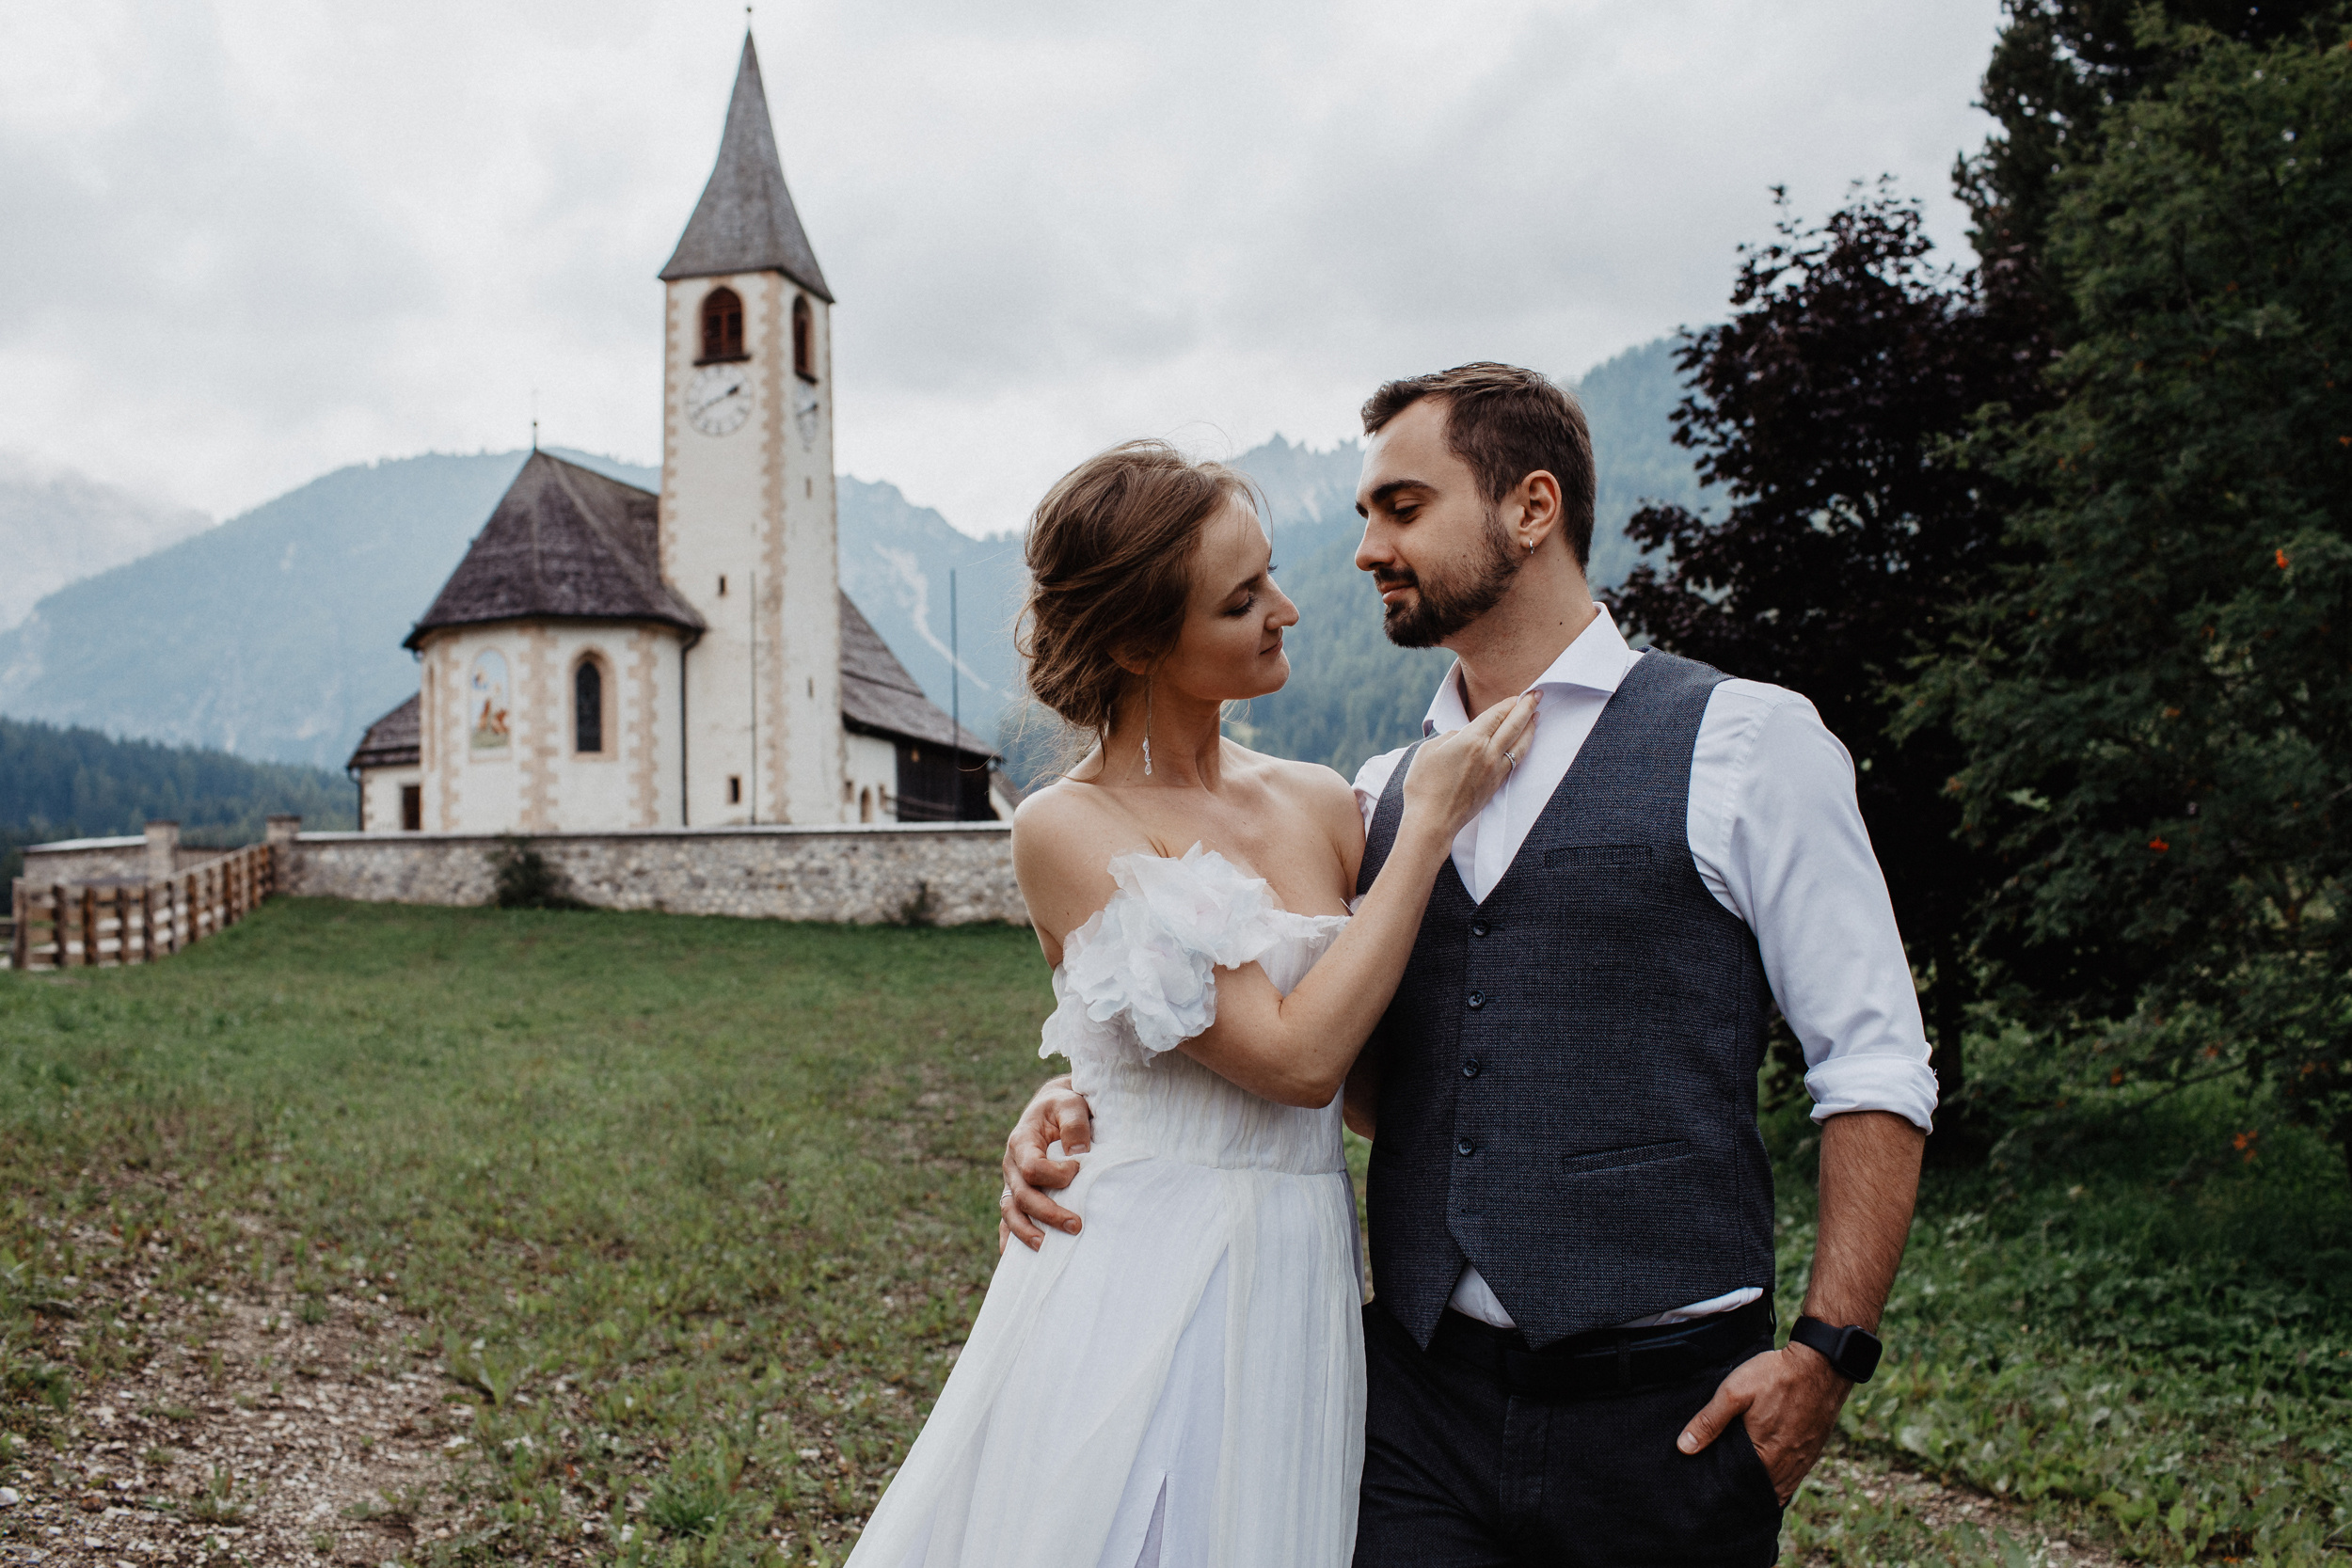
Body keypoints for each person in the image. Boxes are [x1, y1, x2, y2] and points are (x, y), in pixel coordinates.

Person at [1003, 364, 1939, 1567]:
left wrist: (1828, 1351)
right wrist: (1081, 1093)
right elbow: (1291, 1034)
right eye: (1362, 517)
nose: (1361, 552)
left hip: (1665, 1408)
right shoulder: (1377, 797)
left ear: (1530, 509)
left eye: (1400, 507)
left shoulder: (1748, 741)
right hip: (1411, 1407)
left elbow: (1872, 1062)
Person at [844, 439, 1537, 1568]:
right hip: (1142, 1266)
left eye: (1267, 574)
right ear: (1133, 641)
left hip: (1302, 1261)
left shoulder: (1319, 803)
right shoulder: (1067, 827)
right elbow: (1292, 1060)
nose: (1288, 608)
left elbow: (1362, 1092)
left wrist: (1071, 1085)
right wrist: (1430, 829)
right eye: (1241, 597)